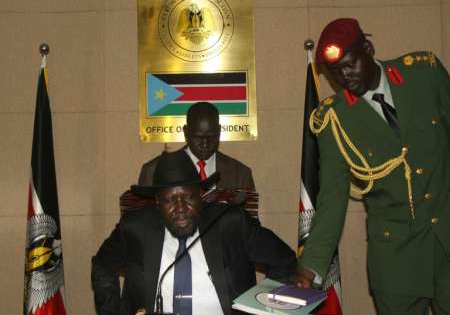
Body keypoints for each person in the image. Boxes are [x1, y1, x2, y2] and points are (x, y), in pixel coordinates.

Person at [295, 18, 450, 314]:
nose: (344, 76)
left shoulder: (424, 74)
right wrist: (310, 268)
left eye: (350, 64)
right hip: (396, 261)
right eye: (335, 71)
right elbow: (332, 200)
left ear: (368, 48)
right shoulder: (334, 120)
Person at [92, 149, 296, 315]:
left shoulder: (231, 223)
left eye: (188, 198)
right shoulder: (135, 228)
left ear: (201, 196)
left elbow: (284, 261)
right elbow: (102, 265)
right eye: (170, 200)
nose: (180, 208)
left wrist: (264, 308)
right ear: (157, 203)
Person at [138, 102, 255, 190]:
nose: (205, 143)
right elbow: (141, 220)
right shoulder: (153, 170)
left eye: (211, 137)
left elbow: (249, 221)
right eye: (198, 137)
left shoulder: (240, 174)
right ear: (186, 132)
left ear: (219, 131)